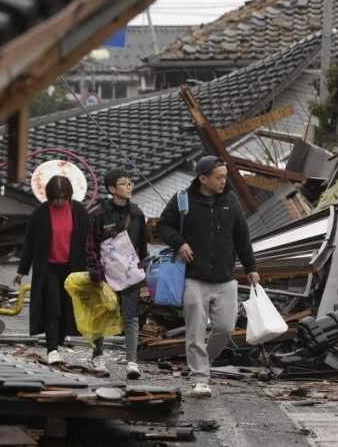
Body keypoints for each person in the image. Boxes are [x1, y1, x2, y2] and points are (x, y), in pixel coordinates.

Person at [158, 156, 260, 398]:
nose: (224, 181)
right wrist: (180, 243)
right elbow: (164, 226)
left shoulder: (231, 201)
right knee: (195, 331)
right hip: (195, 277)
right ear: (203, 178)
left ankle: (204, 363)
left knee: (225, 328)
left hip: (225, 278)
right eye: (219, 177)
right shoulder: (183, 200)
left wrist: (251, 267)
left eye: (225, 177)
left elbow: (242, 237)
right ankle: (200, 378)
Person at [14, 175, 90, 365]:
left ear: (69, 196)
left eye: (63, 198)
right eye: (55, 198)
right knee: (52, 306)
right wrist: (22, 270)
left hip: (73, 268)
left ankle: (61, 339)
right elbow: (29, 243)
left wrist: (93, 268)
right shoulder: (40, 214)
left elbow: (89, 242)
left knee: (67, 306)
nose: (59, 202)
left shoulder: (79, 211)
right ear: (49, 197)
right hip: (48, 267)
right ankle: (52, 348)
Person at [86, 168, 148, 379]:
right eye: (123, 183)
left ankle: (132, 361)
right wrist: (95, 273)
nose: (129, 186)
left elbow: (142, 246)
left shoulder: (137, 213)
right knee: (102, 315)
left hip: (130, 274)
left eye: (130, 183)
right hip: (104, 274)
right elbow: (90, 246)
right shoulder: (98, 214)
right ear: (112, 189)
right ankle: (97, 356)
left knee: (131, 317)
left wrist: (143, 269)